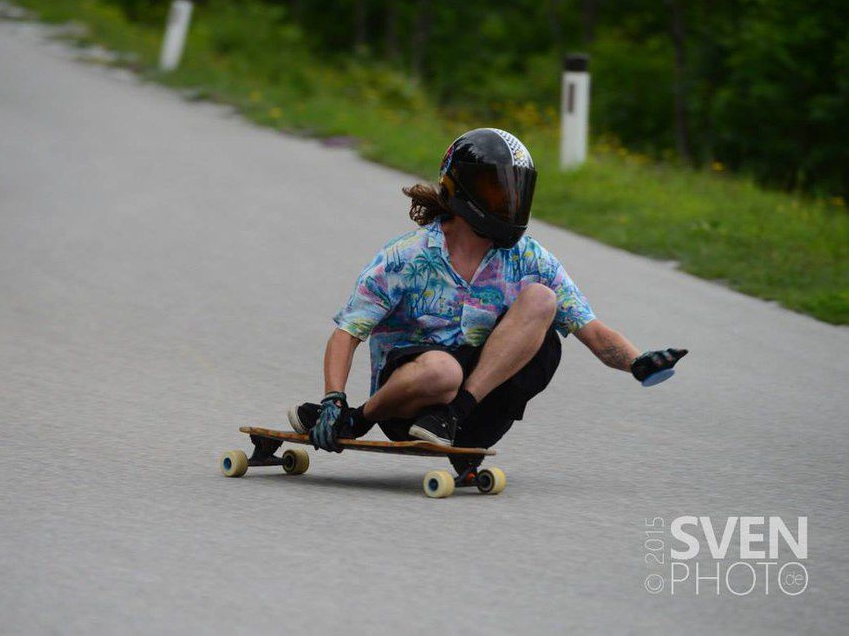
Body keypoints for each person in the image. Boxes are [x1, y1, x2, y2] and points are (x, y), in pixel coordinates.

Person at [288, 127, 687, 480]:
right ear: (460, 189)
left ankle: (447, 415)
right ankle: (358, 418)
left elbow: (593, 331)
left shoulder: (530, 259)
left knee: (542, 299)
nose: (509, 202)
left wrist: (637, 362)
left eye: (517, 191)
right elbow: (348, 332)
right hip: (408, 406)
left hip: (473, 412)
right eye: (497, 191)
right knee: (443, 371)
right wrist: (333, 397)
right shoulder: (406, 257)